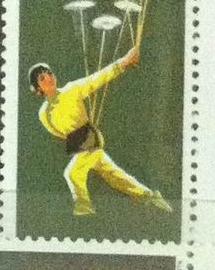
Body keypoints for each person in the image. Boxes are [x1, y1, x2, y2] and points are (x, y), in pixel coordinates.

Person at [27, 43, 172, 219]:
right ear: (38, 88)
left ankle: (84, 212)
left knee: (72, 173)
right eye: (42, 78)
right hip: (79, 144)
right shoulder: (43, 114)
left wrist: (125, 61)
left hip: (90, 140)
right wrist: (75, 138)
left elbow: (98, 78)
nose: (49, 78)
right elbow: (57, 132)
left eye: (49, 73)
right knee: (114, 175)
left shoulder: (72, 89)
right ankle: (149, 196)